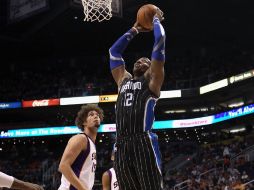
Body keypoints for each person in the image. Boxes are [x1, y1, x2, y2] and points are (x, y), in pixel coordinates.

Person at [108, 6, 165, 190]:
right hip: (122, 144)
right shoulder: (122, 80)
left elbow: (160, 39)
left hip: (143, 141)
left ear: (151, 68)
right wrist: (134, 30)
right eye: (137, 60)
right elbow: (114, 52)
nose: (141, 61)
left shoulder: (152, 81)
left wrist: (155, 19)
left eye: (146, 61)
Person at [58, 104, 104, 190]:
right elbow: (63, 166)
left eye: (97, 115)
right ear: (84, 122)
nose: (95, 116)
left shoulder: (91, 144)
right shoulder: (81, 138)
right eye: (91, 114)